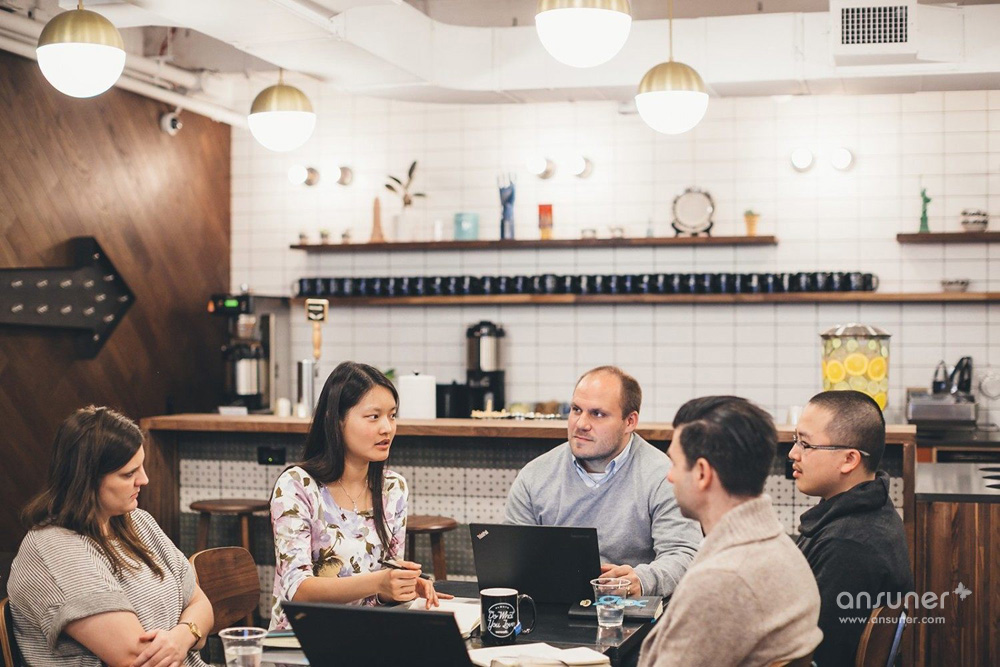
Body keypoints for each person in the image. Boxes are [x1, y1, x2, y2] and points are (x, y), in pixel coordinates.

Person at [7, 406, 214, 667]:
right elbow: (139, 660)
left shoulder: (138, 521)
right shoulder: (56, 552)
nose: (144, 480)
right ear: (86, 480)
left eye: (141, 467)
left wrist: (183, 637)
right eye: (128, 474)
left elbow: (201, 603)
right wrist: (188, 634)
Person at [639, 396, 822, 667]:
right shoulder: (777, 545)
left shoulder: (723, 580)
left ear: (702, 473)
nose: (670, 476)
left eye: (675, 464)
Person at [269, 361, 445, 630]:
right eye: (374, 417)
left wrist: (398, 586)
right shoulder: (297, 486)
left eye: (392, 416)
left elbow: (379, 591)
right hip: (301, 639)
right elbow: (298, 589)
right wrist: (379, 582)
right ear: (336, 420)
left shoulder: (393, 488)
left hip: (367, 634)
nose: (387, 428)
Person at [505, 366, 701, 597]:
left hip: (632, 609)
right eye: (576, 410)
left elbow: (684, 554)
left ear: (630, 422)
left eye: (597, 414)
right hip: (550, 606)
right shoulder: (535, 475)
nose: (581, 424)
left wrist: (641, 580)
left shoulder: (663, 477)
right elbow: (511, 558)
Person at [790, 390, 913, 666]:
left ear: (849, 459)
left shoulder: (848, 547)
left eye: (805, 444)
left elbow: (817, 656)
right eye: (795, 440)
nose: (793, 453)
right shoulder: (871, 507)